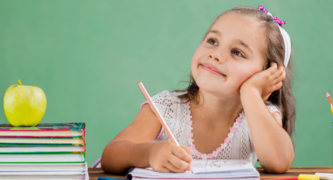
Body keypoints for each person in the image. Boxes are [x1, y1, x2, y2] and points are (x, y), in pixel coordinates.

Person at [101, 6, 295, 174]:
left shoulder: (263, 115)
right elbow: (111, 155)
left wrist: (251, 93)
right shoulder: (164, 109)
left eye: (237, 52)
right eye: (212, 41)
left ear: (269, 73)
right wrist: (150, 153)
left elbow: (279, 163)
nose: (216, 54)